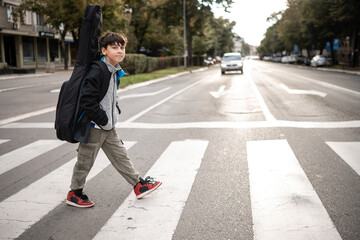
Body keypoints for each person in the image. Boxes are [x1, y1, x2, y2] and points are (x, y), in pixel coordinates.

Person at [66, 32, 161, 208]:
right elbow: (87, 99)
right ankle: (74, 193)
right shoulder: (98, 70)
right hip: (95, 125)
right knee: (85, 161)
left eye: (122, 47)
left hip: (108, 125)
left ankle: (138, 185)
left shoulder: (113, 69)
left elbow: (109, 96)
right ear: (104, 50)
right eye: (114, 47)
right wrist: (102, 118)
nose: (119, 51)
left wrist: (114, 112)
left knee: (121, 156)